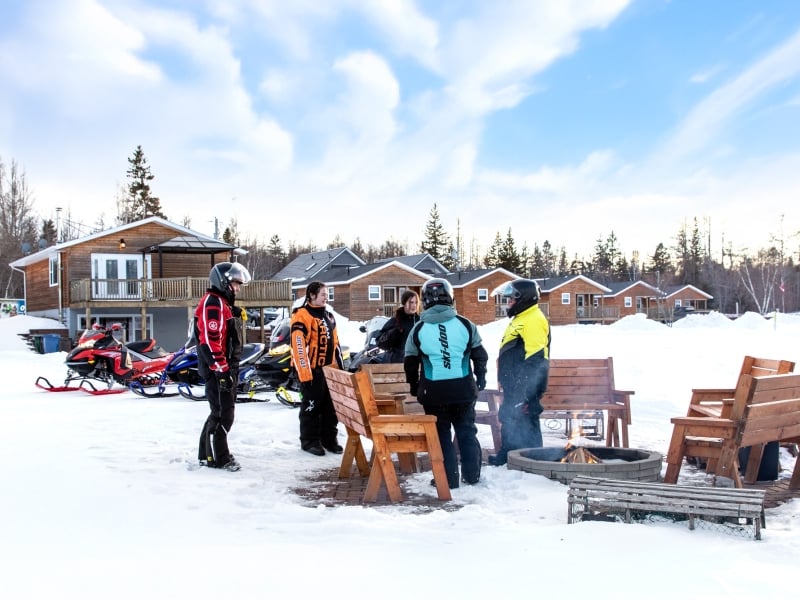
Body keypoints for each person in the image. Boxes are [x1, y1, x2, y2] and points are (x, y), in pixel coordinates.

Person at [404, 278, 488, 489]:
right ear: (450, 297)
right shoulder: (465, 324)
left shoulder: (418, 329)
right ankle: (472, 475)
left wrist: (413, 386)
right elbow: (480, 355)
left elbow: (410, 362)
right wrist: (481, 377)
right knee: (466, 431)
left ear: (425, 300)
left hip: (433, 392)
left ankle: (447, 479)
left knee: (441, 435)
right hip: (463, 390)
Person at [196, 261, 251, 472]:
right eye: (235, 284)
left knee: (218, 412)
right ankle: (219, 457)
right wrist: (222, 370)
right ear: (224, 282)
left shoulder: (220, 303)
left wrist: (233, 312)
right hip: (218, 368)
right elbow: (210, 341)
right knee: (222, 414)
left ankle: (207, 454)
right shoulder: (213, 304)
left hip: (222, 366)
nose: (237, 288)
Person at [489, 279, 551, 466]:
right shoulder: (523, 317)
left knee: (523, 418)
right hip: (515, 382)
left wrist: (525, 392)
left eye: (511, 299)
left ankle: (531, 460)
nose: (508, 302)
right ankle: (509, 456)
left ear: (523, 298)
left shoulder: (533, 320)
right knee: (510, 418)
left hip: (524, 385)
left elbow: (536, 359)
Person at [289, 281, 346, 456]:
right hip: (312, 370)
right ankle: (309, 441)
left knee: (331, 408)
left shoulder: (329, 316)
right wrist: (306, 374)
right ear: (312, 295)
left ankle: (329, 439)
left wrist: (340, 371)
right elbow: (298, 346)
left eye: (327, 294)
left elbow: (335, 345)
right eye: (322, 294)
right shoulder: (301, 315)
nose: (325, 298)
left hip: (329, 370)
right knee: (311, 407)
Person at [376, 290, 420, 363]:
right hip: (396, 363)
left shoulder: (421, 321)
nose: (414, 305)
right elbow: (380, 343)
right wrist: (393, 333)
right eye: (411, 302)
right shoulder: (396, 321)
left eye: (416, 302)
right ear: (404, 303)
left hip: (417, 363)